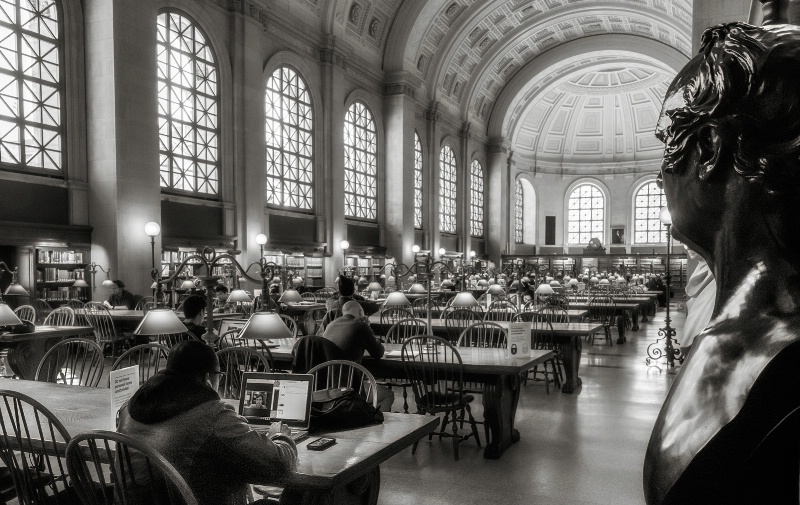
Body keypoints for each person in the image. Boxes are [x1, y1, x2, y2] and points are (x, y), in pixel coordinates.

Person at [644, 20, 800, 505]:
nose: (659, 178)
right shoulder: (742, 333)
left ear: (710, 149)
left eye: (669, 143)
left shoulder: (780, 362)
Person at [117, 340, 297, 505]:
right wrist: (280, 437)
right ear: (209, 378)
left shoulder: (127, 409)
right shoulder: (213, 414)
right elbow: (279, 466)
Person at [322, 300, 394, 412]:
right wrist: (368, 328)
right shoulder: (360, 326)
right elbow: (378, 353)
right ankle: (373, 419)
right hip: (351, 389)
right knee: (388, 395)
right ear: (361, 312)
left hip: (328, 388)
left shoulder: (330, 325)